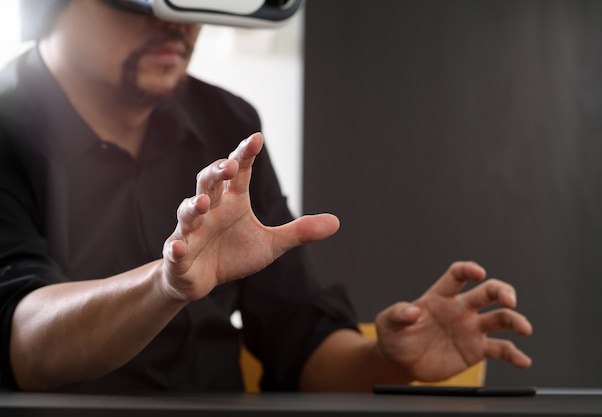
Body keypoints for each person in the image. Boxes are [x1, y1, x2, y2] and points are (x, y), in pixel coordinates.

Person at [0, 0, 532, 393]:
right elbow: (22, 343)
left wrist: (388, 359)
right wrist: (166, 285)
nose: (175, 22)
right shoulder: (9, 128)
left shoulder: (226, 125)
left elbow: (294, 339)